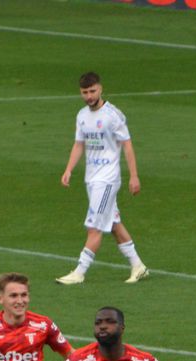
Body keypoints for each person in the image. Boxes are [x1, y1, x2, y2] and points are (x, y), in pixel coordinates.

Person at [55, 72, 149, 285]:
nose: (89, 96)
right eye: (84, 92)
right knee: (113, 223)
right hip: (91, 179)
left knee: (95, 226)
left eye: (92, 91)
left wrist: (134, 176)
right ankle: (138, 266)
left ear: (101, 89)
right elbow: (79, 144)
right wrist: (69, 169)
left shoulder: (113, 115)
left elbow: (127, 144)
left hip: (107, 180)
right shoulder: (81, 116)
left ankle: (79, 271)